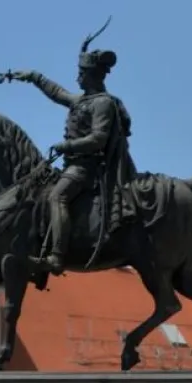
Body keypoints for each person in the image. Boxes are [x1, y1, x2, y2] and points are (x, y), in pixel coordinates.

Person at [14, 43, 135, 275]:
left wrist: (67, 145)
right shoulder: (82, 100)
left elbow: (98, 138)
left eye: (81, 73)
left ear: (93, 75)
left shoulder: (103, 103)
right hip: (73, 165)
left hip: (88, 168)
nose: (77, 77)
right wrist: (33, 76)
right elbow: (57, 93)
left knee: (57, 196)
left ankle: (56, 256)